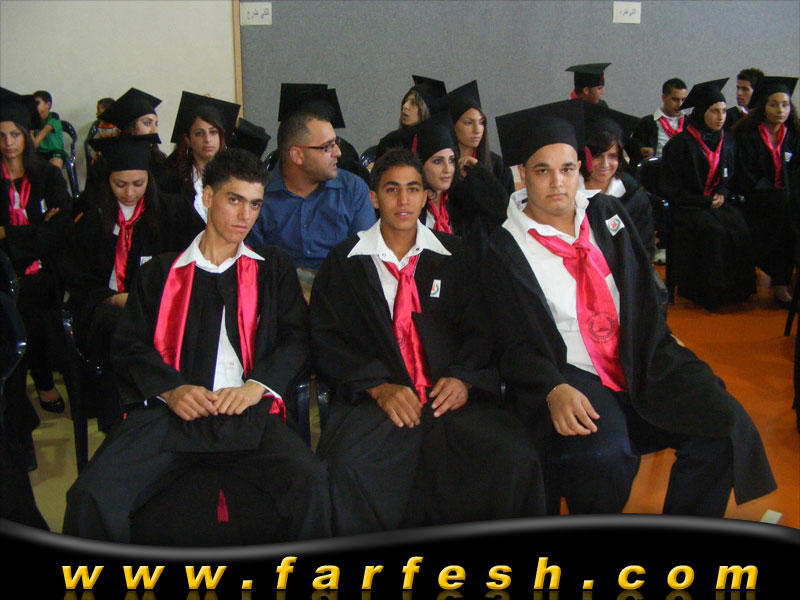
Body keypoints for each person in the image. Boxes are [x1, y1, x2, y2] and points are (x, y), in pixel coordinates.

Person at [485, 98, 776, 516]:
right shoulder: (503, 247)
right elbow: (509, 341)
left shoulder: (606, 213)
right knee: (604, 457)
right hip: (571, 370)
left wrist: (663, 336)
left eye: (566, 169)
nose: (557, 183)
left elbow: (644, 289)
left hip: (638, 355)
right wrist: (551, 386)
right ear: (522, 174)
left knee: (724, 423)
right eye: (542, 171)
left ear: (579, 169)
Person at [63, 148, 330, 544]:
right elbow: (129, 346)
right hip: (169, 416)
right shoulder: (160, 273)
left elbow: (297, 339)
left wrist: (256, 386)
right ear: (208, 197)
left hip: (247, 412)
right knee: (90, 494)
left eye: (255, 204)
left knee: (313, 482)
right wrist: (172, 389)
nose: (245, 215)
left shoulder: (271, 268)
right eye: (234, 200)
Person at [310, 148, 545, 535]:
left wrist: (465, 377)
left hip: (449, 394)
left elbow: (485, 327)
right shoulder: (344, 263)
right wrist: (378, 387)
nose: (403, 200)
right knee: (344, 467)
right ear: (373, 197)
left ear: (425, 196)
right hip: (379, 398)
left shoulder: (457, 255)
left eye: (413, 189)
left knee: (514, 457)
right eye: (392, 189)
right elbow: (326, 339)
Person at [64, 134, 189, 431]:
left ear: (149, 180)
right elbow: (77, 277)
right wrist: (113, 297)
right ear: (107, 181)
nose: (130, 193)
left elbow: (189, 261)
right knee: (119, 326)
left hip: (159, 307)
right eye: (120, 184)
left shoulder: (172, 212)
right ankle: (121, 418)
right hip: (105, 310)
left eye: (138, 183)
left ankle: (164, 406)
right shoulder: (92, 220)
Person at [1, 88, 72, 463]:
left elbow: (61, 230)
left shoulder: (46, 175)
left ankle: (41, 382)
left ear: (28, 136)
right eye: (0, 135)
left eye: (15, 134)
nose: (8, 143)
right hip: (3, 275)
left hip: (44, 273)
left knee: (37, 305)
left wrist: (9, 235)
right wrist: (36, 232)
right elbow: (45, 232)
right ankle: (22, 393)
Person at [247, 84, 376, 271]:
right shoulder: (259, 193)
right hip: (278, 285)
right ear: (297, 155)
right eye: (327, 147)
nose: (338, 153)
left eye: (336, 143)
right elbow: (252, 262)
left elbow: (364, 259)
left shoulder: (353, 189)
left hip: (339, 285)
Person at [660, 79, 755, 309]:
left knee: (740, 226)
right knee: (714, 232)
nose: (721, 117)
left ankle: (737, 292)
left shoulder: (727, 142)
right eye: (714, 111)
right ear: (702, 112)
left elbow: (730, 178)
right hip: (688, 206)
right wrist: (703, 200)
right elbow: (671, 188)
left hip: (715, 203)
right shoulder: (680, 145)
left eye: (723, 111)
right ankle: (708, 293)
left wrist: (722, 193)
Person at [733, 76, 800, 308]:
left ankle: (785, 281)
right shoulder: (747, 135)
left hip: (788, 200)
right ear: (763, 107)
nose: (780, 110)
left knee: (791, 215)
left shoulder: (794, 135)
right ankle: (780, 284)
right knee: (785, 217)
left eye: (785, 105)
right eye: (774, 104)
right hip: (756, 199)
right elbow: (745, 174)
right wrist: (774, 193)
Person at [158, 91, 241, 242]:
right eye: (199, 133)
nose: (207, 139)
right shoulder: (173, 181)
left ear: (221, 137)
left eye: (213, 132)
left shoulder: (236, 176)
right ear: (188, 139)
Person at [579, 103, 657, 261]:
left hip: (624, 270)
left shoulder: (634, 196)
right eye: (597, 156)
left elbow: (644, 249)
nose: (605, 164)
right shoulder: (570, 191)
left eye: (612, 156)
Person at [84, 88, 168, 212]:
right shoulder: (106, 161)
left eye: (156, 124)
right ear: (130, 126)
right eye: (147, 123)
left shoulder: (159, 160)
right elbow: (91, 202)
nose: (154, 130)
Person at [442, 79, 515, 200]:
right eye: (468, 123)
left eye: (481, 122)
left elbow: (507, 205)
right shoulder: (444, 165)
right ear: (453, 126)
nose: (477, 130)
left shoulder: (497, 165)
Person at [375, 75, 447, 161]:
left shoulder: (438, 144)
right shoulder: (389, 142)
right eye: (405, 101)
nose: (405, 106)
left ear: (425, 110)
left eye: (413, 103)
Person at [627, 78, 689, 166]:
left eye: (683, 100)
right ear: (664, 98)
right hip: (656, 169)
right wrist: (641, 150)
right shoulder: (647, 122)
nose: (680, 104)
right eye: (675, 99)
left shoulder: (690, 122)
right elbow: (632, 145)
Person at [31, 90, 68, 170]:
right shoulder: (32, 120)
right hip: (39, 153)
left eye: (37, 103)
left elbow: (37, 141)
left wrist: (31, 129)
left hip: (54, 152)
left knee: (55, 165)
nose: (33, 106)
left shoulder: (53, 118)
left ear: (47, 105)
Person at [725, 68, 765, 132]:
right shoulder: (730, 117)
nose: (739, 93)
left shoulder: (766, 119)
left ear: (757, 91)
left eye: (745, 89)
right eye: (738, 88)